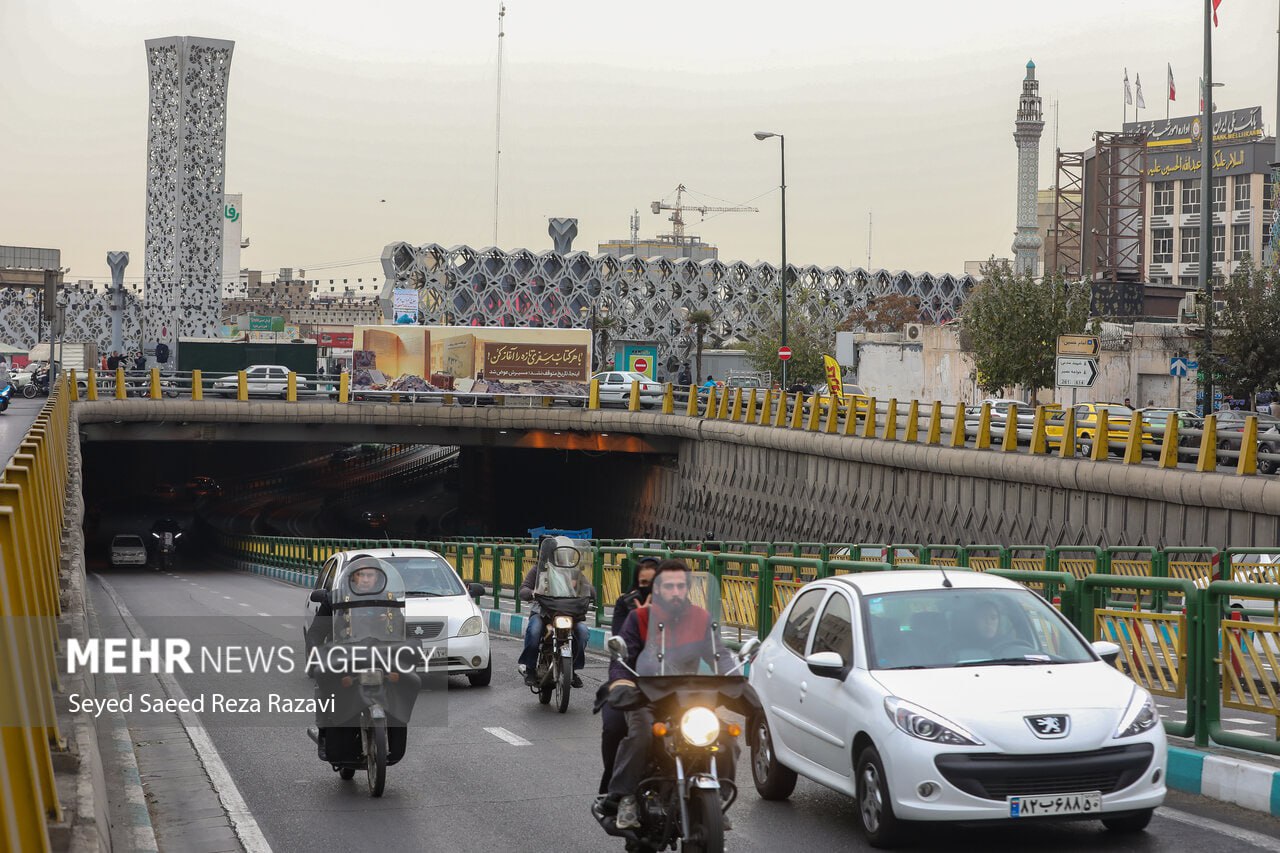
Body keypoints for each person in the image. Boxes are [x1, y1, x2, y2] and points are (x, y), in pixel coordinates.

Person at [602, 559, 736, 830]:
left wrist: (733, 674)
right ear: (658, 589)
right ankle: (624, 797)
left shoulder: (701, 618)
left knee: (726, 736)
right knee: (640, 735)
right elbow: (622, 656)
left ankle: (717, 798)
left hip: (689, 698)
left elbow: (718, 653)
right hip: (646, 697)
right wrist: (622, 683)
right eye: (669, 586)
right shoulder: (639, 618)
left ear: (688, 588)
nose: (675, 591)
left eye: (680, 586)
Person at [598, 557, 658, 794]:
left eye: (653, 584)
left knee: (720, 734)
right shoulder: (627, 606)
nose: (648, 590)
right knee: (614, 726)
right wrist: (643, 618)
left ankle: (715, 793)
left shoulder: (680, 610)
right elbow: (622, 645)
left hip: (671, 685)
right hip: (632, 681)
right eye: (643, 584)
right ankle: (614, 791)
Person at [517, 536, 595, 688]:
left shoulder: (574, 572)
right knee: (534, 632)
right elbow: (524, 589)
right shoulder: (539, 570)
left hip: (569, 613)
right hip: (543, 614)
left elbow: (589, 588)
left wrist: (587, 590)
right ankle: (530, 669)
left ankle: (573, 669)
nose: (564, 556)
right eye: (560, 552)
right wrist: (531, 592)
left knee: (583, 633)